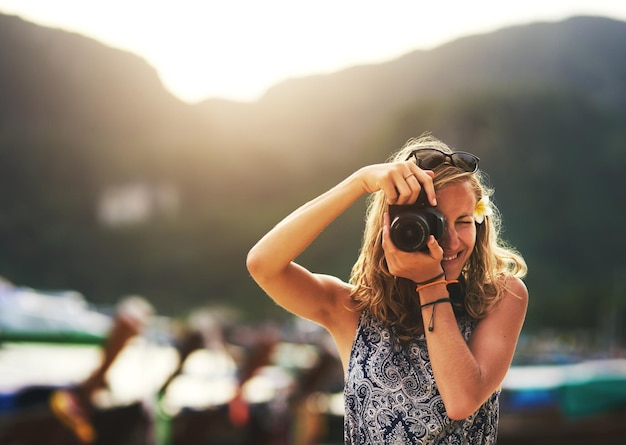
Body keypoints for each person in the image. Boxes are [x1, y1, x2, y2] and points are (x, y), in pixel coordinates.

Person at [246, 134, 528, 444]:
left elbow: (461, 399)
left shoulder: (501, 296)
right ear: (393, 225)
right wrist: (360, 182)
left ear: (480, 222)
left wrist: (430, 283)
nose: (449, 241)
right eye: (434, 223)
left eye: (463, 221)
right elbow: (263, 264)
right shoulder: (353, 311)